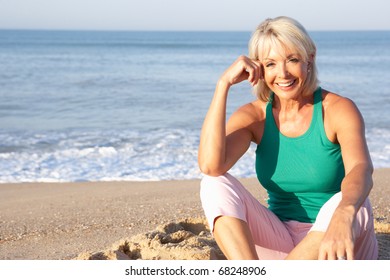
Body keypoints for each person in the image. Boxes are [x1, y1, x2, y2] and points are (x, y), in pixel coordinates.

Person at [198, 16, 378, 260]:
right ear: (258, 67)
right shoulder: (255, 116)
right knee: (213, 182)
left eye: (292, 60)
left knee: (356, 204)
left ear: (309, 58)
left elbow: (360, 168)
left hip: (334, 240)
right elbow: (211, 165)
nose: (282, 74)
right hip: (281, 241)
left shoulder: (337, 109)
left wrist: (344, 212)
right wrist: (223, 85)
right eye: (270, 64)